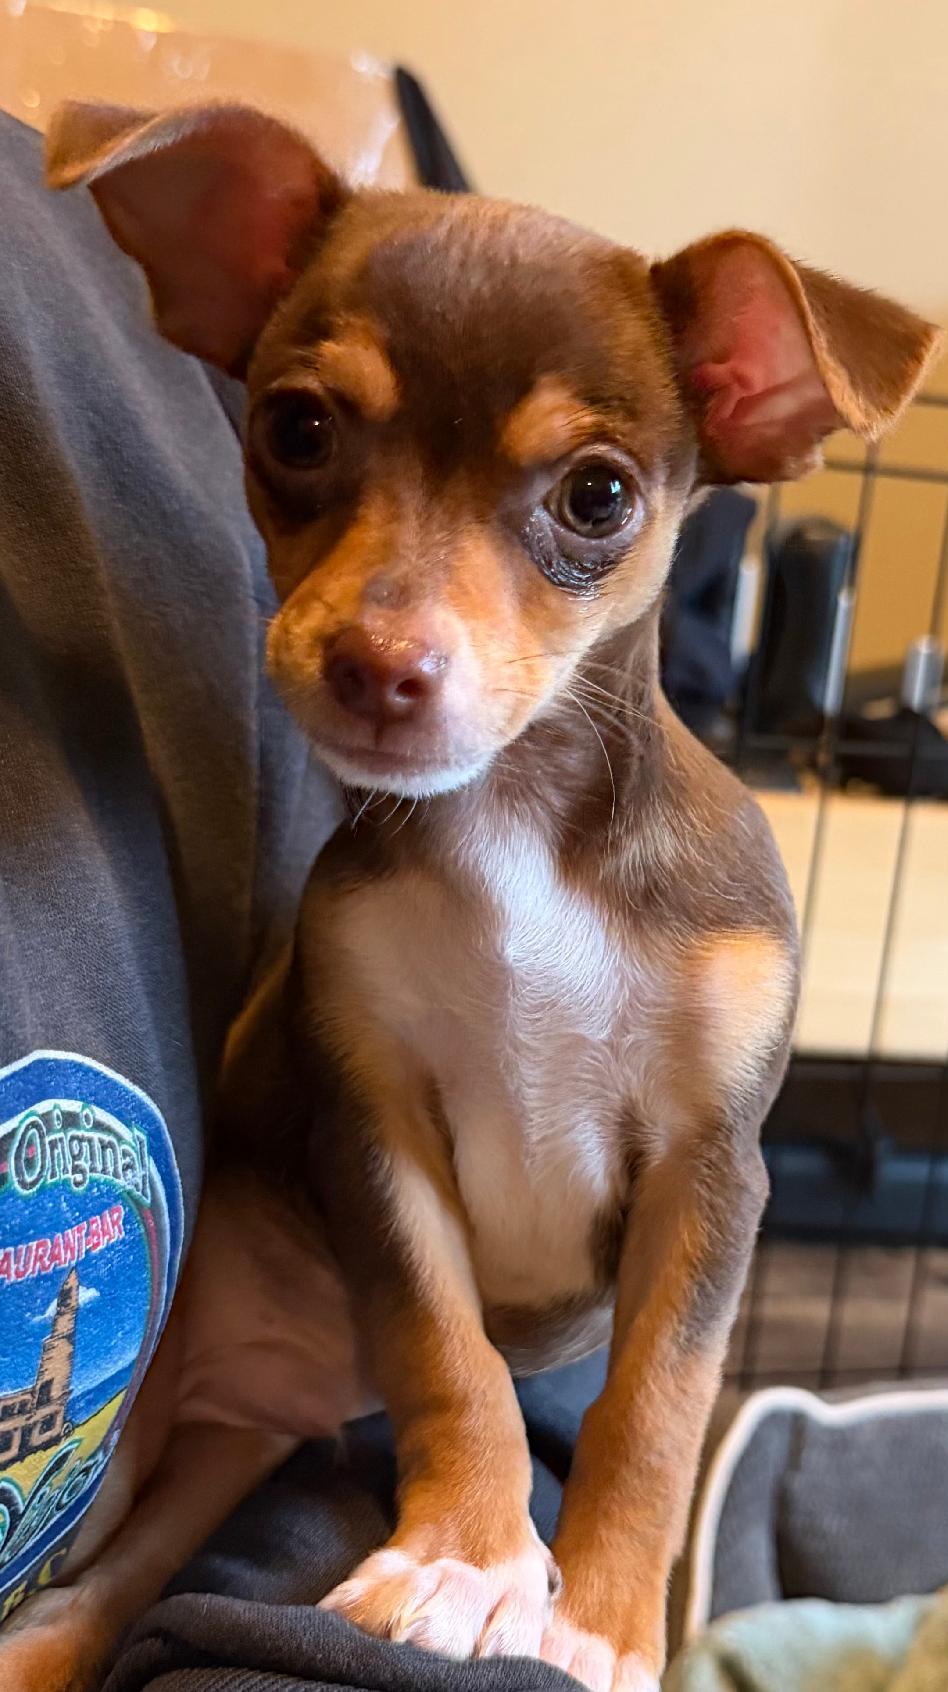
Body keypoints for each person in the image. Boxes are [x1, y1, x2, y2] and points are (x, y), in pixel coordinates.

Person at [0, 105, 591, 1691]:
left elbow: (550, 1356)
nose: (397, 633)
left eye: (584, 503)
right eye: (313, 442)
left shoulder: (80, 321)